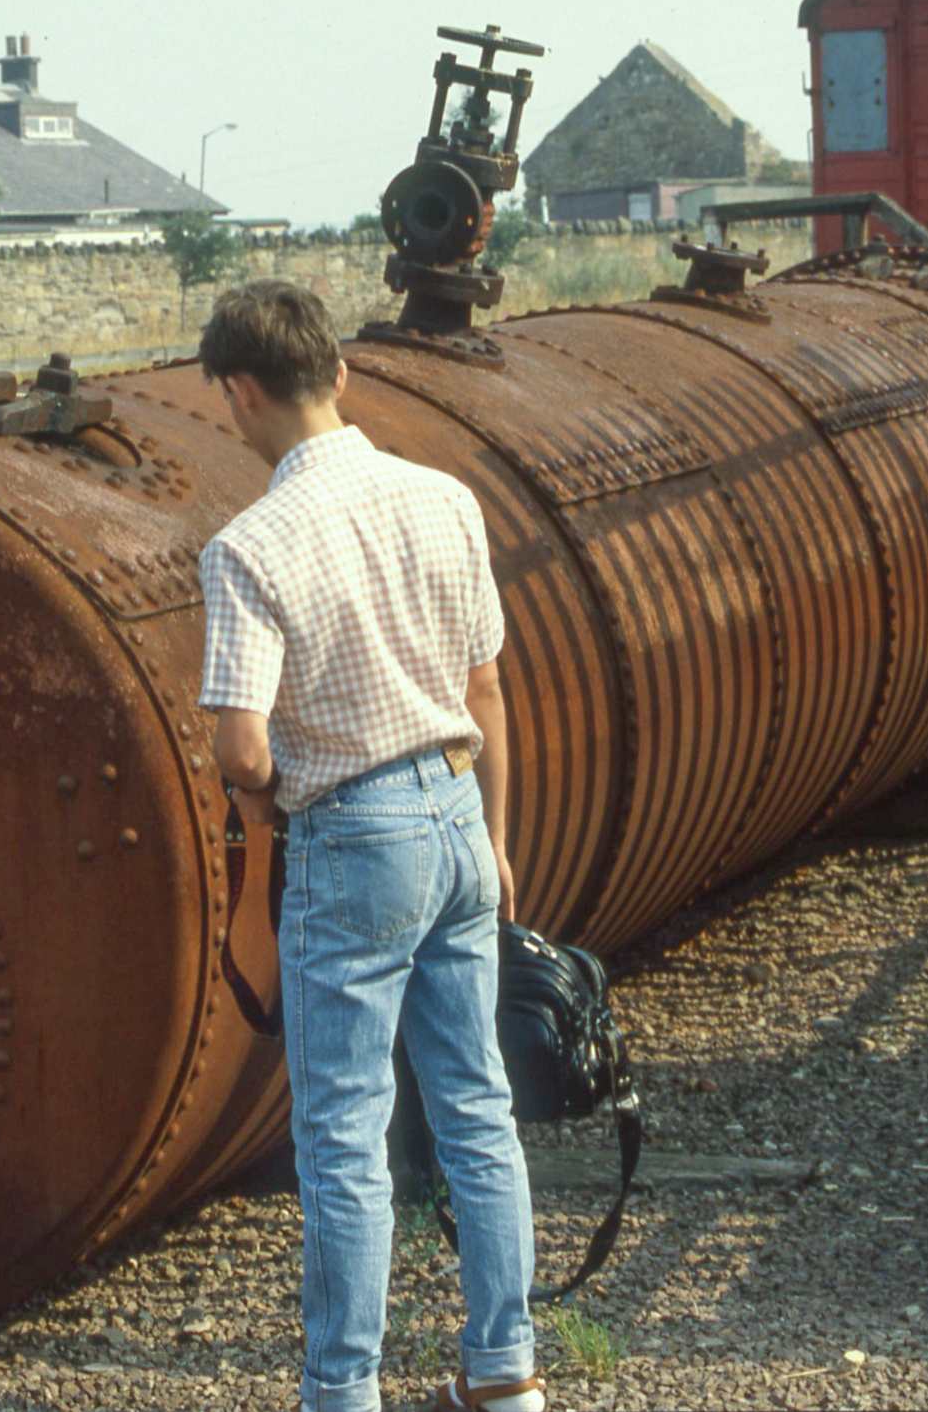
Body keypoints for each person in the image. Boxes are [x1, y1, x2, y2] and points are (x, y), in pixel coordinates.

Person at [194, 278, 544, 1412]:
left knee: (343, 1135)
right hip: (454, 809)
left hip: (352, 835)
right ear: (336, 373)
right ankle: (505, 1373)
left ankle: (341, 1394)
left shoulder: (248, 547)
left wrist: (264, 781)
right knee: (475, 1105)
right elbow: (484, 684)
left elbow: (240, 748)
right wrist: (492, 838)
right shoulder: (443, 498)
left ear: (240, 392)